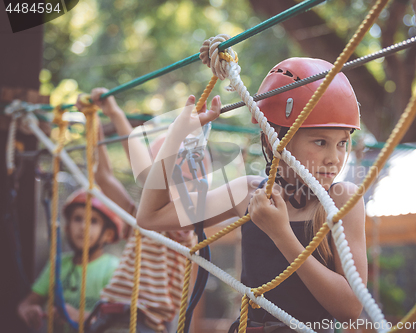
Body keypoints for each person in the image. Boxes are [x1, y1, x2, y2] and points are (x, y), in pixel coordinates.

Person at [136, 57, 368, 331]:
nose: (334, 158)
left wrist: (281, 234)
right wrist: (176, 138)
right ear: (275, 139)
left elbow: (351, 307)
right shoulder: (249, 193)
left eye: (342, 143)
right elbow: (150, 217)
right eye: (320, 142)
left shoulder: (342, 200)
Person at [77, 89, 196, 333]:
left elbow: (149, 179)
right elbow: (104, 176)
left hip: (144, 322)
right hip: (110, 314)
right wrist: (95, 122)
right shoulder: (141, 218)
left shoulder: (182, 226)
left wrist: (116, 113)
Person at [17, 188, 122, 332]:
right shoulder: (58, 264)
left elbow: (120, 322)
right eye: (78, 219)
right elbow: (27, 303)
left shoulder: (114, 269)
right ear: (66, 228)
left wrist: (79, 316)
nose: (83, 227)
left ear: (108, 234)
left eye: (93, 221)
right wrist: (29, 309)